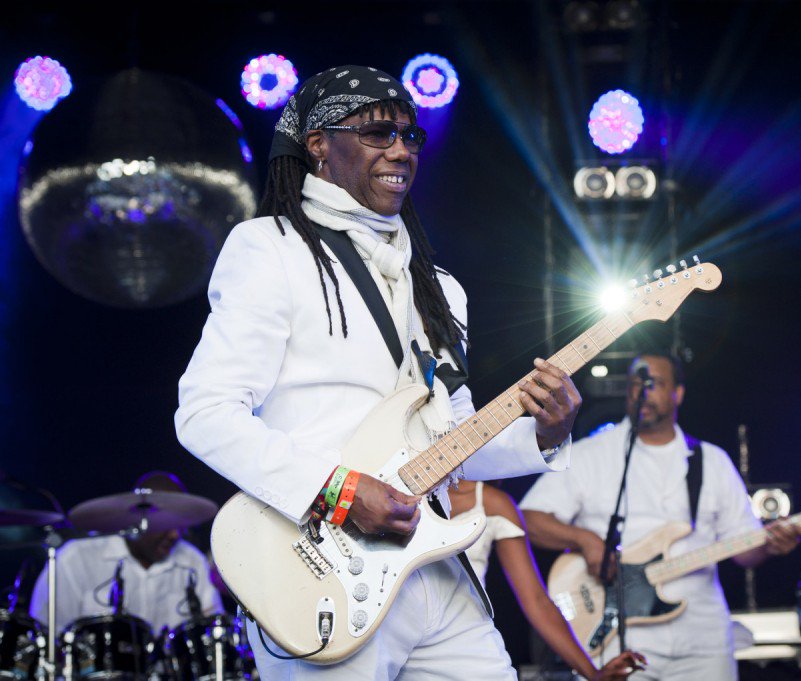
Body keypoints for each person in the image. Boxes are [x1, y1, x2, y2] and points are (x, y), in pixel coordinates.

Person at [174, 65, 582, 680]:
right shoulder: (271, 248)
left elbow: (455, 444)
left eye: (409, 136)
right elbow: (205, 415)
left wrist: (545, 434)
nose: (399, 150)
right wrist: (340, 493)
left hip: (435, 569)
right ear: (318, 145)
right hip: (321, 575)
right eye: (377, 133)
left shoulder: (440, 291)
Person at [520, 352, 801, 681]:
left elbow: (743, 551)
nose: (641, 390)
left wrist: (770, 545)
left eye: (653, 383)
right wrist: (584, 540)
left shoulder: (712, 461)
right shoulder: (590, 455)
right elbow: (527, 518)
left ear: (677, 393)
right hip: (618, 638)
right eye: (635, 383)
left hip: (704, 639)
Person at [448, 480, 646, 680]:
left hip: (468, 641)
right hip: (415, 635)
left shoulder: (493, 502)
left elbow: (536, 600)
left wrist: (593, 674)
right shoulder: (415, 496)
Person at [28, 470, 223, 635]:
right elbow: (44, 635)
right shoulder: (76, 558)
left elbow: (213, 633)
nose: (174, 534)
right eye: (166, 524)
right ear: (137, 518)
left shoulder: (192, 561)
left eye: (179, 525)